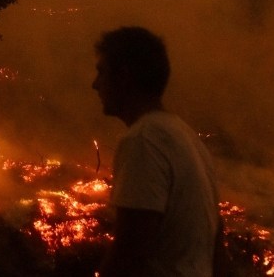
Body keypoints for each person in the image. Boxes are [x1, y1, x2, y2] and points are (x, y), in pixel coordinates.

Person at [92, 26, 227, 276]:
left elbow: (129, 251)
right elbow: (216, 241)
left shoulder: (143, 140)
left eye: (101, 72)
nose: (95, 84)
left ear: (123, 77)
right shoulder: (186, 137)